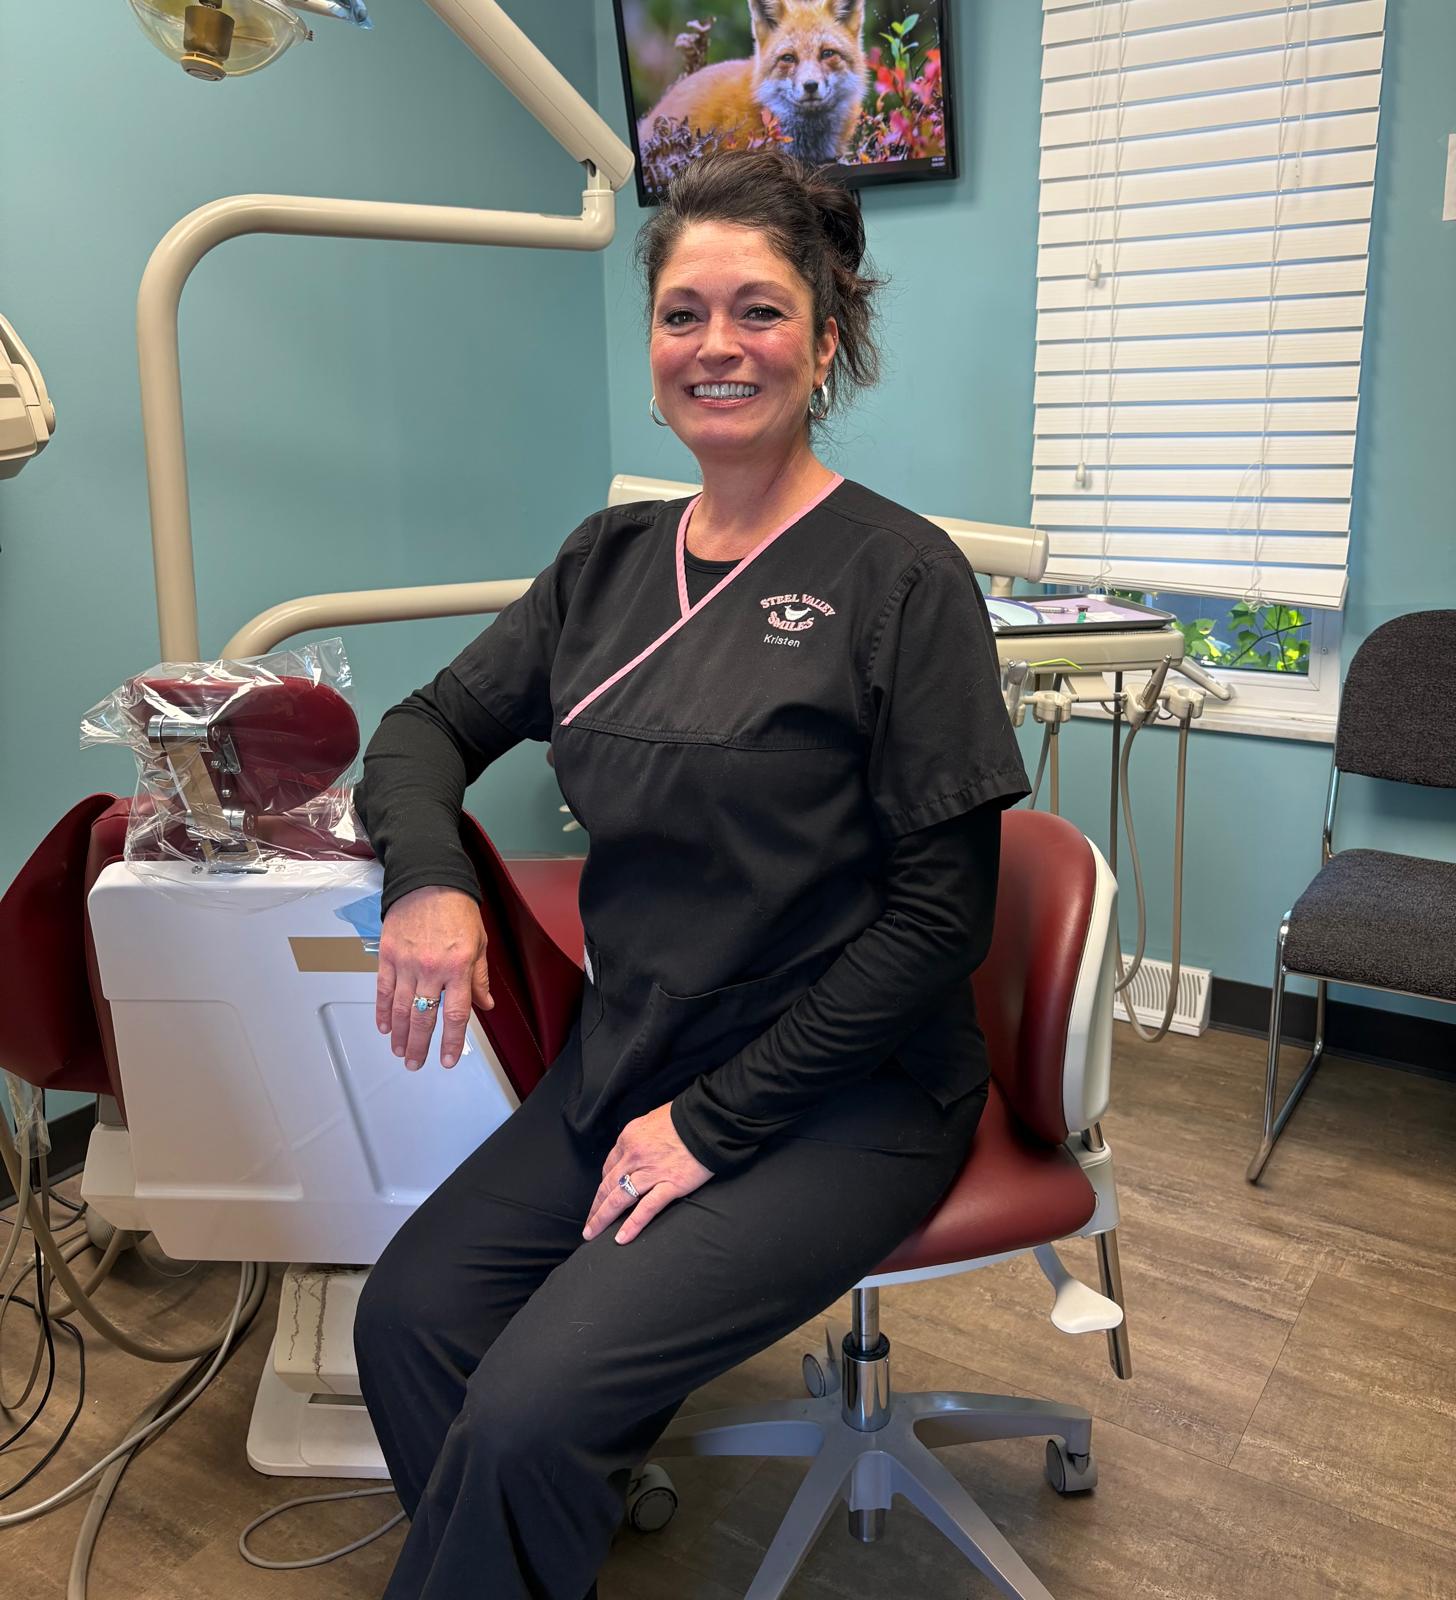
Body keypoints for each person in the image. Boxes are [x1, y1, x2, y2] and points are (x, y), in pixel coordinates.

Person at [351, 148, 1029, 1600]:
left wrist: (714, 1125)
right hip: (634, 1051)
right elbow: (423, 729)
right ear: (652, 341)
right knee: (408, 1320)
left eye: (761, 311)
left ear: (827, 338)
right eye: (681, 313)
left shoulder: (904, 582)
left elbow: (938, 919)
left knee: (532, 1409)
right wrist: (428, 878)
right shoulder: (603, 563)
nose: (717, 346)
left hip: (846, 1093)